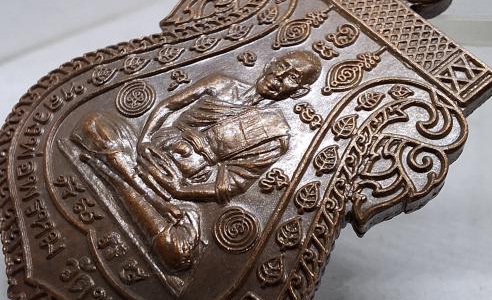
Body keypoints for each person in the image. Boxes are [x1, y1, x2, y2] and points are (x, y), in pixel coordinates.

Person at [71, 50, 321, 273]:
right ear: (271, 62)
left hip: (175, 185)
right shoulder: (220, 83)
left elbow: (232, 183)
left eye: (292, 77)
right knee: (92, 124)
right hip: (149, 152)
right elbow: (169, 106)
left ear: (299, 91)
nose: (280, 77)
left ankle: (116, 177)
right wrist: (144, 140)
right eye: (282, 67)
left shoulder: (275, 134)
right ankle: (138, 188)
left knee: (179, 253)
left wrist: (180, 190)